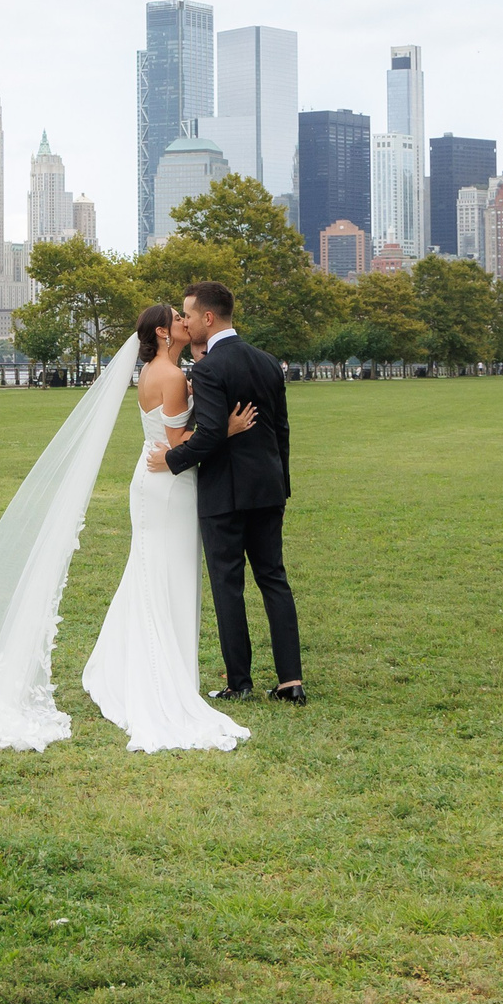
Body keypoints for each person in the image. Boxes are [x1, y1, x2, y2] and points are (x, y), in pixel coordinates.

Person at [80, 305, 260, 751]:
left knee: (148, 574)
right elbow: (182, 444)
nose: (186, 321)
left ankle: (134, 667)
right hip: (170, 485)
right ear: (162, 332)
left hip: (150, 481)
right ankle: (162, 677)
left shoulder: (156, 371)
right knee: (169, 578)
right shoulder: (173, 376)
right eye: (178, 318)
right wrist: (230, 429)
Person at [147, 281, 304, 705]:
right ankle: (292, 681)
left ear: (209, 318)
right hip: (269, 489)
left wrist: (172, 460)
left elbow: (212, 434)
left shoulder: (210, 369)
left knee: (228, 586)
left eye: (190, 315)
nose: (187, 321)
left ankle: (240, 682)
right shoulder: (270, 363)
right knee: (274, 580)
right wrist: (280, 482)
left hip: (224, 494)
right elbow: (282, 432)